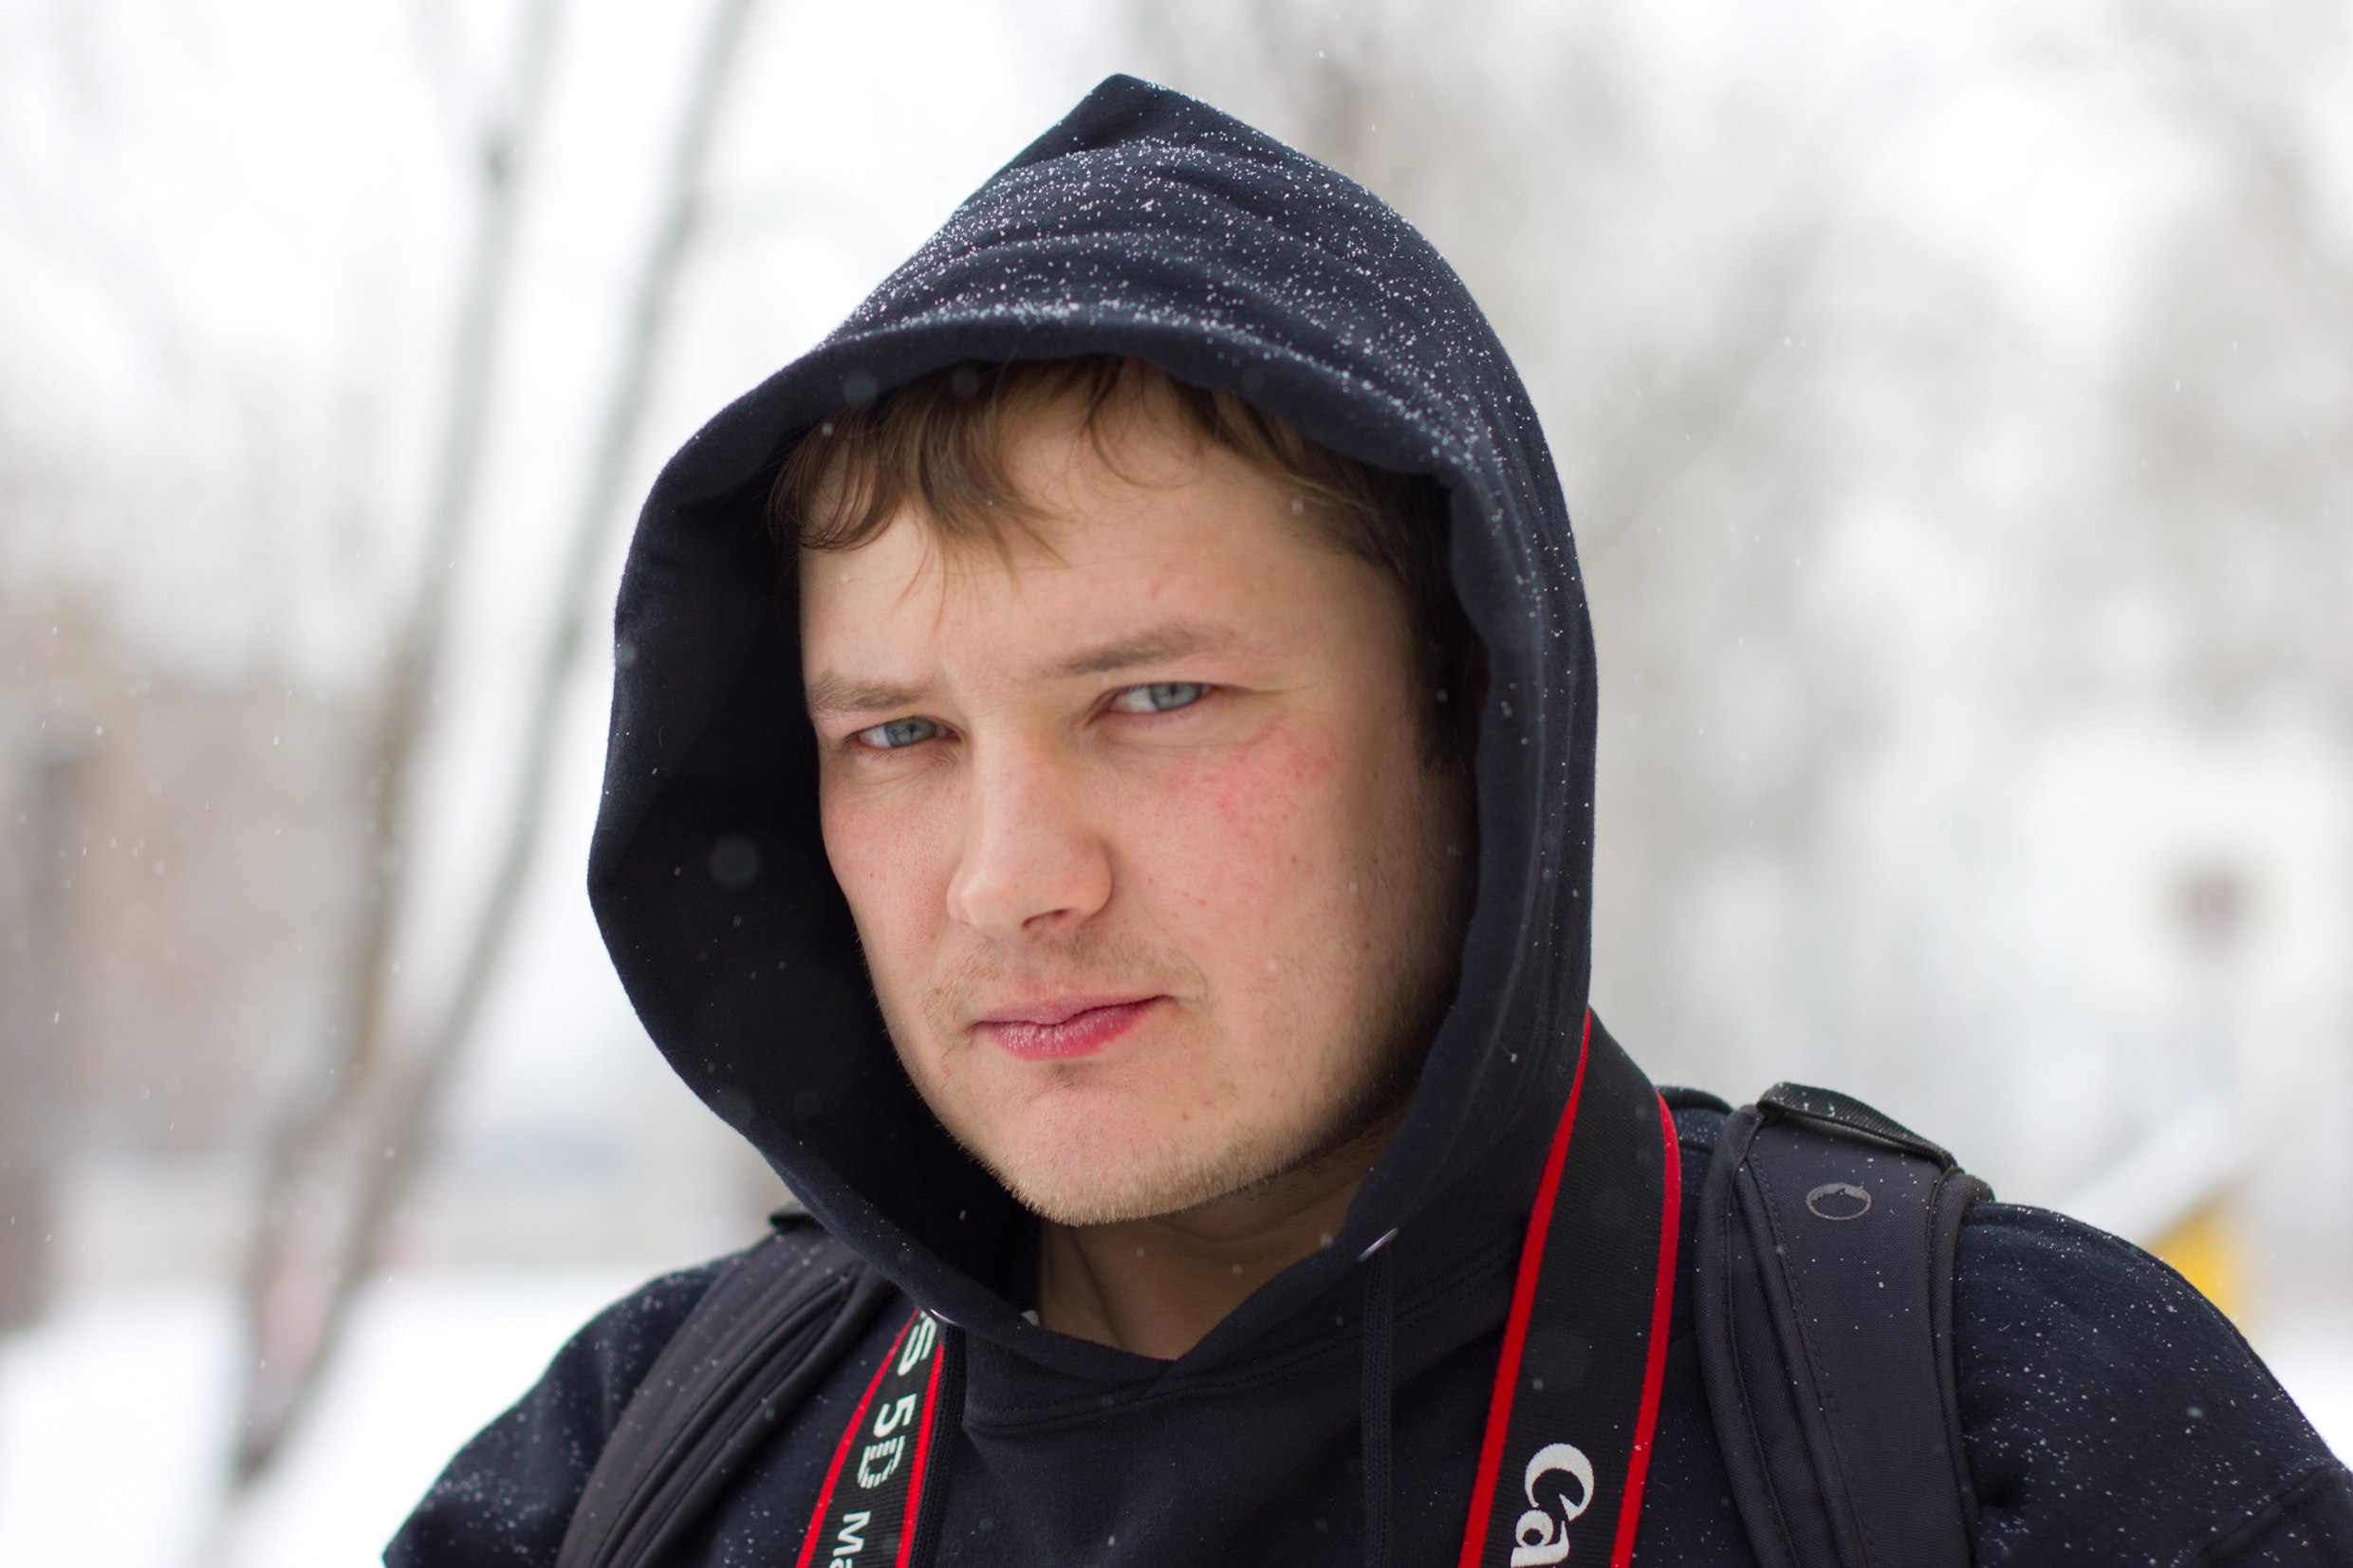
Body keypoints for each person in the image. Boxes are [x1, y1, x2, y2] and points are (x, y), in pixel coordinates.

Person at [387, 76, 2351, 1567]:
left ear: (1466, 720)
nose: (1010, 878)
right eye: (898, 733)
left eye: (1154, 698)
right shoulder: (647, 1463)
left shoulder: (1988, 1434)